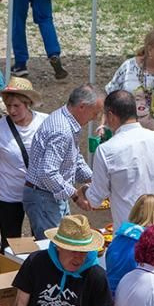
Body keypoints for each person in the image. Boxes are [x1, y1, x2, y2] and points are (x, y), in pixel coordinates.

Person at [85, 89, 154, 229]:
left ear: (111, 116)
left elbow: (95, 199)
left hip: (132, 238)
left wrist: (82, 192)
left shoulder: (106, 150)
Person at [24, 84, 102, 236]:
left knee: (62, 244)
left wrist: (95, 179)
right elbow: (48, 173)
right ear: (82, 107)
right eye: (95, 113)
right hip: (44, 196)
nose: (95, 118)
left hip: (50, 195)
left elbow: (74, 158)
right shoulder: (62, 130)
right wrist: (75, 195)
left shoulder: (66, 121)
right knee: (54, 247)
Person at [0, 78, 47, 245]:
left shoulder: (46, 122)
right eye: (8, 105)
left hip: (40, 193)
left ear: (28, 103)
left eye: (16, 106)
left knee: (42, 242)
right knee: (10, 245)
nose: (11, 110)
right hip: (9, 195)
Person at [105, 28, 154, 138]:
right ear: (150, 50)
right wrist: (104, 125)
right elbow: (109, 98)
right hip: (127, 138)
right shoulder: (128, 67)